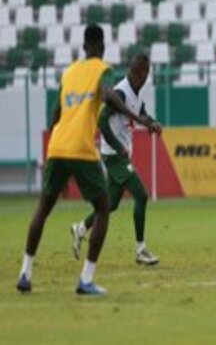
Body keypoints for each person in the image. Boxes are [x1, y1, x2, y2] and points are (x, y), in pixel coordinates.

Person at [17, 25, 154, 295]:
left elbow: (55, 113)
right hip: (81, 148)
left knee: (43, 209)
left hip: (57, 146)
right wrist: (135, 117)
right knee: (104, 209)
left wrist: (51, 156)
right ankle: (86, 279)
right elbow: (108, 95)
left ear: (83, 47)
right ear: (102, 47)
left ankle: (25, 273)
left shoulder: (69, 72)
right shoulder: (103, 69)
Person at [71, 52, 161, 266]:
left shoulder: (135, 92)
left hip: (118, 154)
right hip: (114, 156)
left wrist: (153, 123)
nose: (145, 77)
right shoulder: (120, 93)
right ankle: (141, 250)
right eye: (144, 73)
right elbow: (101, 122)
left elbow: (142, 113)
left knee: (110, 204)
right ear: (141, 73)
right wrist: (118, 146)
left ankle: (80, 228)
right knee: (141, 195)